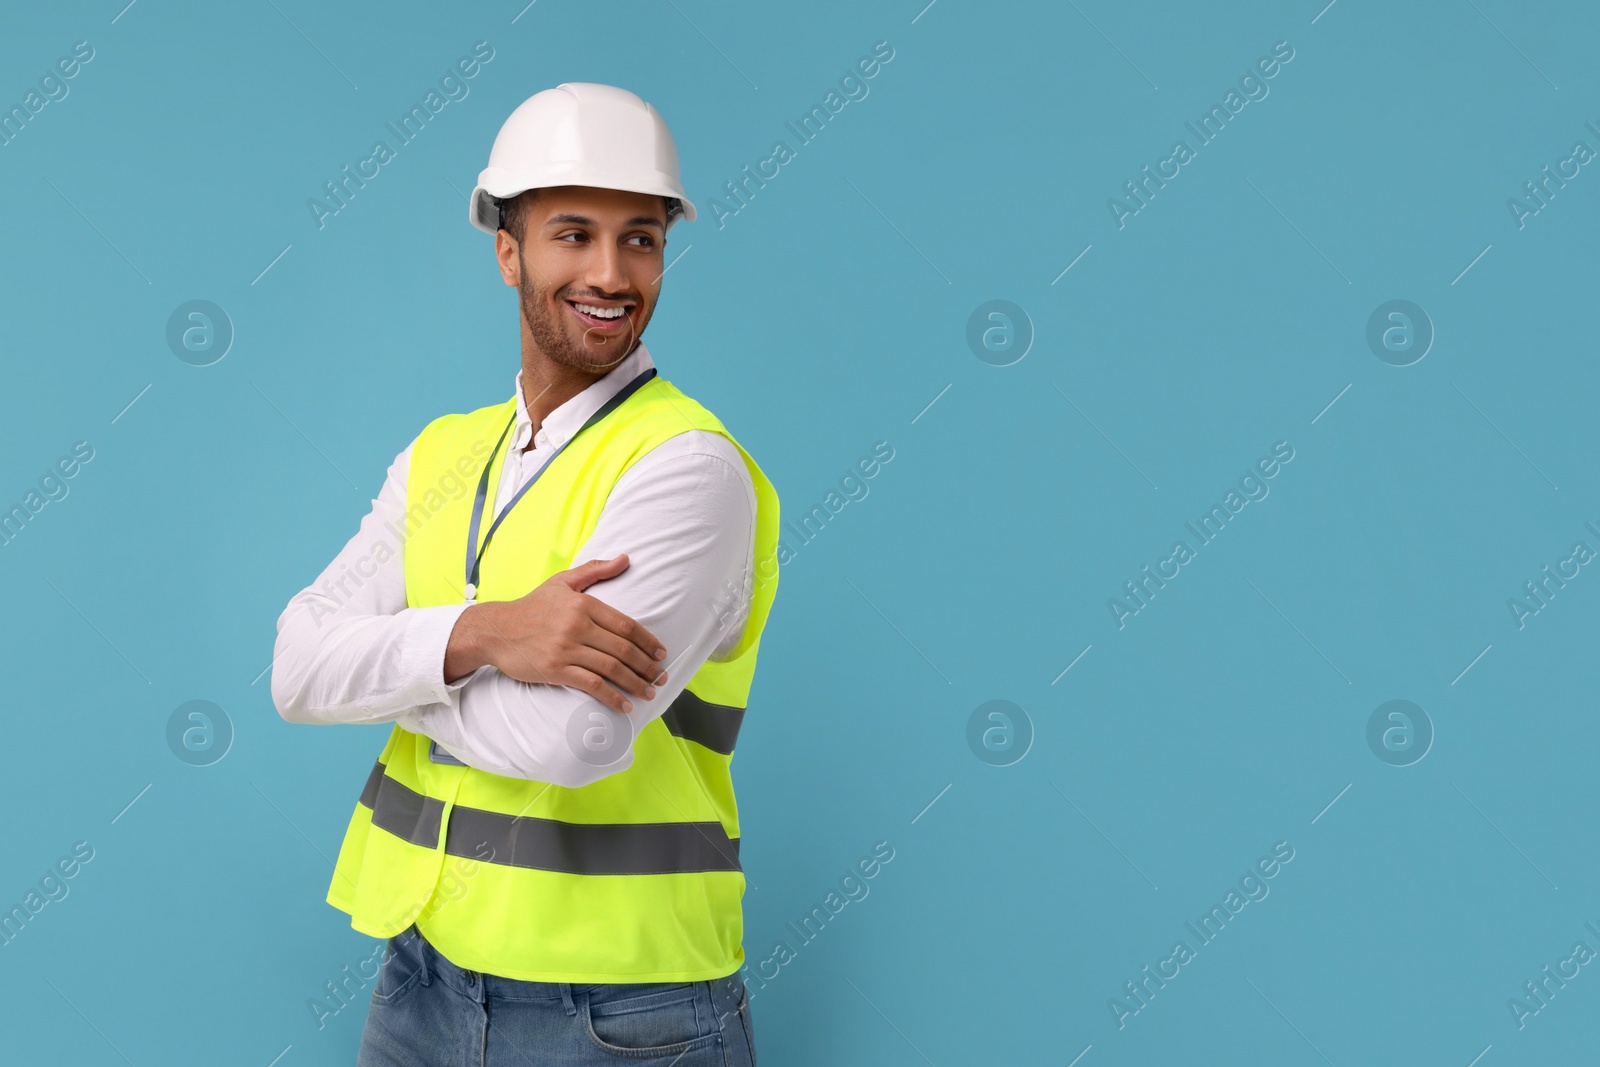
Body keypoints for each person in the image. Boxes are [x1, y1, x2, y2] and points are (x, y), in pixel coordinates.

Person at [270, 82, 779, 1066]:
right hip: (419, 979)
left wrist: (393, 673)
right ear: (508, 251)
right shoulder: (441, 455)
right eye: (573, 234)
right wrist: (482, 636)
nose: (611, 271)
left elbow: (574, 735)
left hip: (623, 1012)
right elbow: (296, 668)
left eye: (641, 237)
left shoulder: (686, 467)